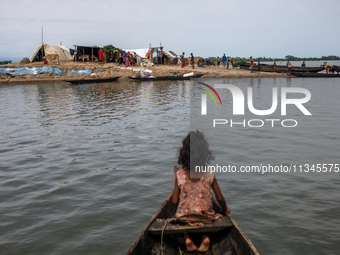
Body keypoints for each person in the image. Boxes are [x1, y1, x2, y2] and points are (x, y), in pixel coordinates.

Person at [172, 130, 230, 252]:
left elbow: (175, 200)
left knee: (180, 219)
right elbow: (219, 198)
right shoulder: (209, 174)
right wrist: (225, 209)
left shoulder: (179, 174)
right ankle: (206, 237)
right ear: (204, 153)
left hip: (185, 217)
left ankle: (187, 238)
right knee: (213, 218)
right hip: (205, 217)